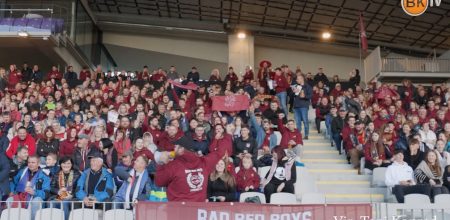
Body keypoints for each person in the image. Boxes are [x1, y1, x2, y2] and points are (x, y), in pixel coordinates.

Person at [154, 136, 224, 201]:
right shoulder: (204, 162)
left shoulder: (173, 166)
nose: (174, 149)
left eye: (176, 147)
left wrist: (161, 163)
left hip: (177, 210)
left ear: (181, 149)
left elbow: (159, 182)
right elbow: (219, 153)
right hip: (198, 210)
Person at [7, 155, 51, 219]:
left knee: (36, 201)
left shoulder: (45, 175)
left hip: (34, 198)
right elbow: (13, 182)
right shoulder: (22, 171)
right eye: (29, 162)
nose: (30, 164)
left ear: (38, 163)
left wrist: (34, 192)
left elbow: (46, 194)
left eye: (33, 162)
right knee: (9, 200)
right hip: (21, 197)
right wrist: (12, 191)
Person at [292, 73, 312, 139]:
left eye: (298, 79)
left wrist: (304, 96)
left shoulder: (308, 86)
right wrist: (293, 92)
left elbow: (310, 96)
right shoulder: (296, 86)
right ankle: (298, 135)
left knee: (305, 121)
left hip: (304, 106)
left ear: (302, 79)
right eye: (296, 79)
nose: (296, 80)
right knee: (297, 122)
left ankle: (306, 135)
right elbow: (292, 96)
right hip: (296, 106)